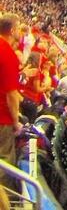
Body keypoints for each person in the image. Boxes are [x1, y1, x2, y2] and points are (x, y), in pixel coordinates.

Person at [0, 13, 21, 182]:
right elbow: (11, 95)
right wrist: (16, 122)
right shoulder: (8, 54)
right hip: (2, 118)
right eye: (19, 28)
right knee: (4, 163)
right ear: (12, 30)